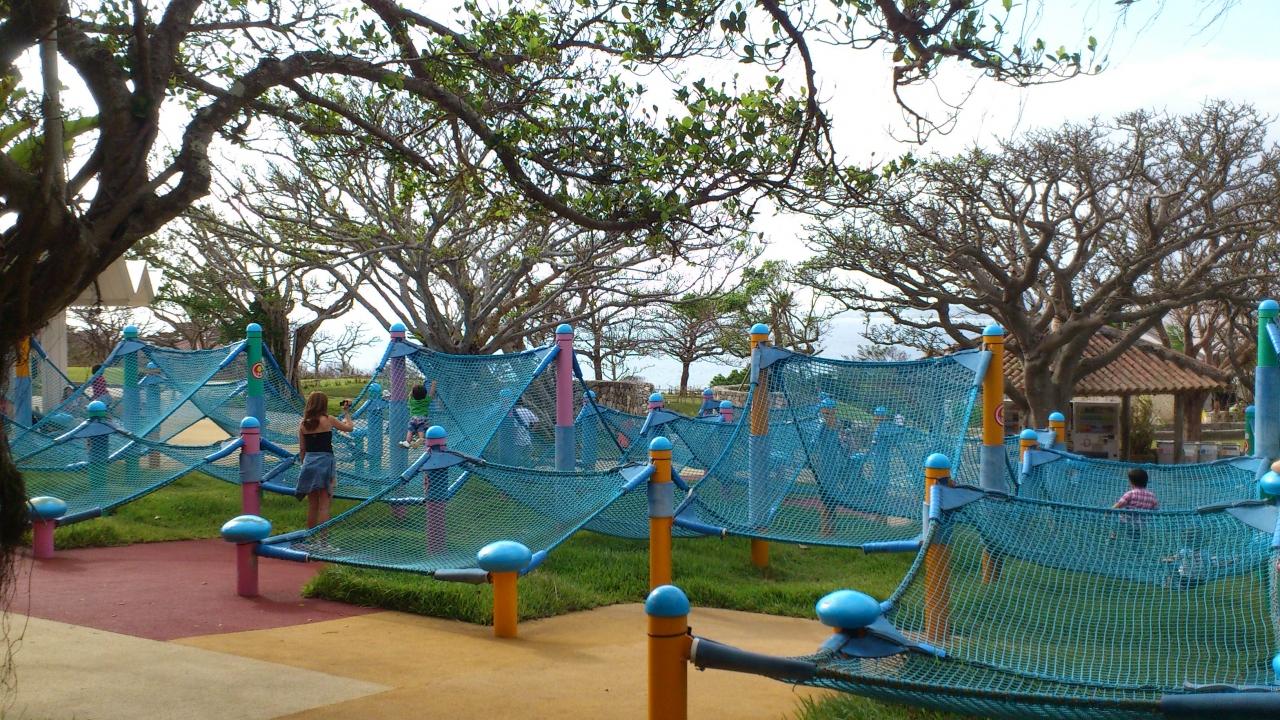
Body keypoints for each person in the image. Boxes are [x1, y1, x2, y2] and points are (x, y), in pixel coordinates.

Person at [297, 391, 355, 529]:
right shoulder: (329, 419)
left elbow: (302, 449)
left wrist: (304, 464)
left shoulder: (303, 424)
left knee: (312, 505)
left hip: (309, 463)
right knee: (324, 505)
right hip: (325, 463)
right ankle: (323, 540)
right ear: (324, 404)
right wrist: (346, 412)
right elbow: (349, 428)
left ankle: (311, 537)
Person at [398, 380, 438, 448]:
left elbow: (410, 395)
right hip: (423, 418)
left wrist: (414, 387)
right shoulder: (426, 400)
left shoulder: (411, 401)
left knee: (410, 430)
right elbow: (431, 393)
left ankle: (407, 441)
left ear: (413, 395)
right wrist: (433, 385)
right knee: (421, 429)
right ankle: (421, 439)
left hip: (413, 418)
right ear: (425, 394)